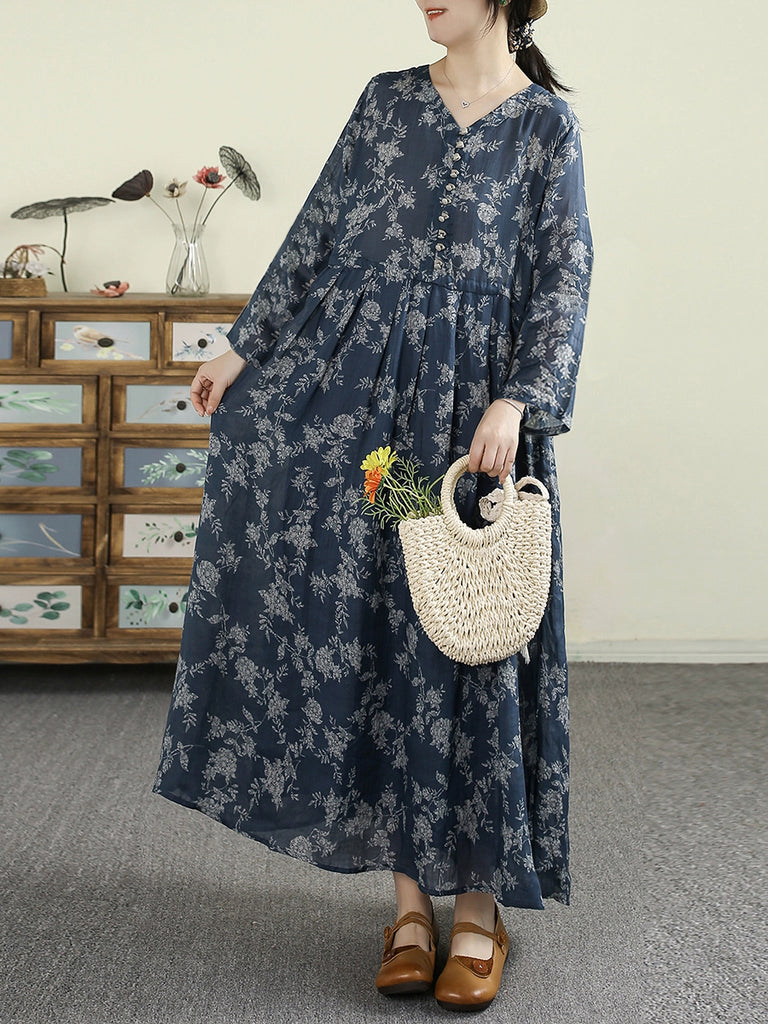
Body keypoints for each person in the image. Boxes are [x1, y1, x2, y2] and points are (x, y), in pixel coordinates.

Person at [151, 0, 594, 1012]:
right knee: (391, 624)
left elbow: (565, 275)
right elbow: (317, 233)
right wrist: (242, 348)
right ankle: (408, 909)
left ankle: (478, 911)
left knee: (472, 640)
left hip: (474, 423)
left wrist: (520, 399)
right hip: (373, 421)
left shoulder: (546, 127)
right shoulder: (387, 103)